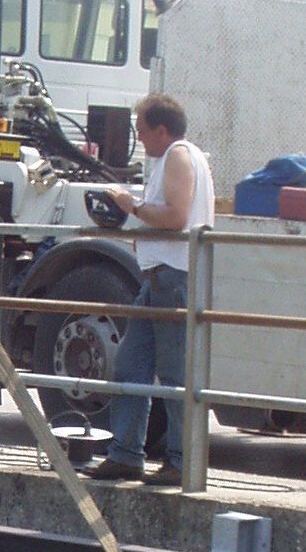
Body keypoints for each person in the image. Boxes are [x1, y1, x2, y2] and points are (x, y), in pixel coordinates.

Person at [85, 95, 215, 487]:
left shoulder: (177, 155)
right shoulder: (179, 157)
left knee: (173, 375)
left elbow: (175, 217)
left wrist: (131, 206)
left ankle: (180, 461)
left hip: (172, 279)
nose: (139, 139)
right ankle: (126, 454)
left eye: (142, 131)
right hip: (159, 279)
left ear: (161, 129)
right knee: (130, 365)